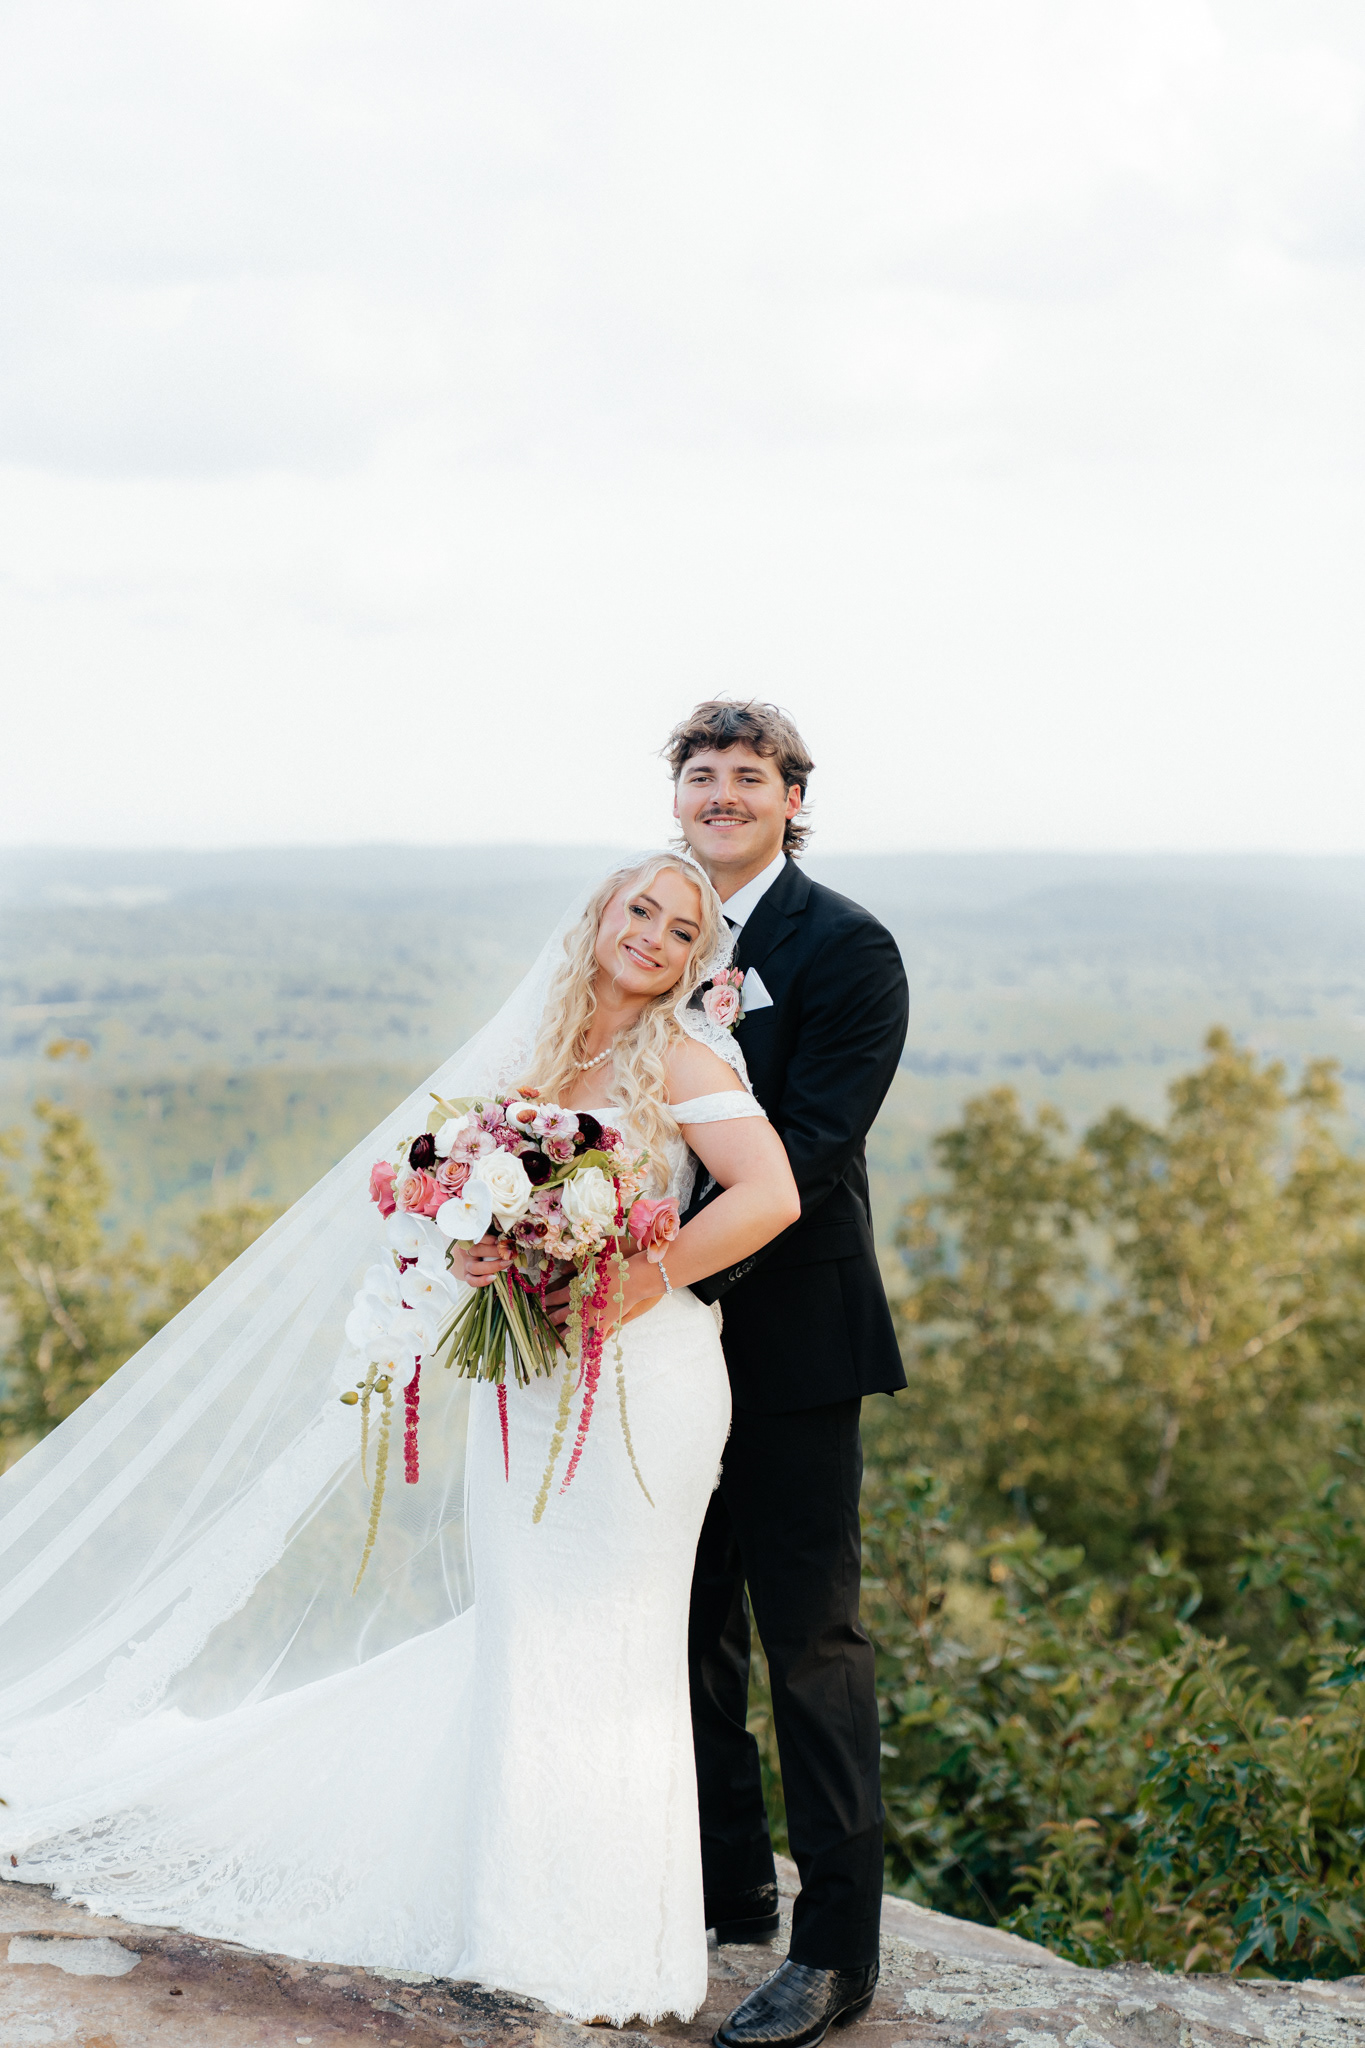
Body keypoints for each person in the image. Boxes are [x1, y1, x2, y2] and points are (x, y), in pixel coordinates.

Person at [0, 850, 800, 2029]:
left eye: (683, 929)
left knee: (614, 1647)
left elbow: (771, 1192)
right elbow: (462, 1209)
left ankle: (610, 1937)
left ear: (695, 959)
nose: (654, 935)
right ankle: (515, 1917)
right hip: (533, 1374)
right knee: (524, 1628)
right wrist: (479, 1247)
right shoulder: (535, 1054)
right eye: (640, 908)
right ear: (599, 914)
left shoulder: (681, 1055)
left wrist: (644, 1276)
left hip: (644, 1384)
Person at [666, 701, 909, 2048]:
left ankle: (835, 1953)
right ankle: (725, 1889)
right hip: (658, 1348)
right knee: (679, 1620)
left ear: (791, 798)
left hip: (793, 1339)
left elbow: (809, 1147)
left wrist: (657, 1269)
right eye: (700, 774)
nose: (721, 794)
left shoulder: (848, 946)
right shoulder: (654, 928)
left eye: (747, 776)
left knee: (809, 1640)